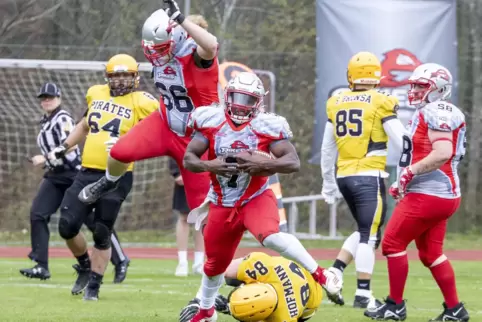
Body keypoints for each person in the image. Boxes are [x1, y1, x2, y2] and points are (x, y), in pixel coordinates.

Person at [181, 72, 342, 322]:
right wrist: (211, 165)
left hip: (254, 196)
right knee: (214, 264)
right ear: (227, 96)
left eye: (248, 100)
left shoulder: (267, 125)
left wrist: (265, 164)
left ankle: (322, 274)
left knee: (271, 236)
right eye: (237, 97)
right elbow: (189, 158)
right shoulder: (210, 121)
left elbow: (293, 161)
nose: (241, 105)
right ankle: (206, 309)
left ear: (258, 103)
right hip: (222, 201)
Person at [76, 2, 219, 214]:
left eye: (161, 49)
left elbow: (212, 45)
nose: (156, 55)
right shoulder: (162, 54)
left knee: (200, 210)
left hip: (196, 138)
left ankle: (215, 243)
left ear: (177, 39)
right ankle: (109, 181)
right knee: (118, 152)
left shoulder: (195, 56)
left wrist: (180, 18)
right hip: (165, 122)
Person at [364, 63, 469, 321]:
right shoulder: (428, 111)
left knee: (391, 244)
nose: (414, 90)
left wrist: (409, 175)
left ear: (439, 89)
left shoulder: (437, 111)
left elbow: (442, 153)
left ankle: (395, 306)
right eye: (414, 85)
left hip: (432, 193)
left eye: (422, 86)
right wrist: (403, 181)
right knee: (430, 254)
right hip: (439, 193)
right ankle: (455, 310)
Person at [50, 54, 158, 301]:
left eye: (125, 75)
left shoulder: (143, 101)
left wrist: (131, 144)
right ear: (107, 77)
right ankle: (85, 266)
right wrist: (63, 146)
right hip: (87, 172)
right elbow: (85, 125)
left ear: (135, 77)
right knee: (67, 225)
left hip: (118, 176)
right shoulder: (96, 93)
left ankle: (94, 287)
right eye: (115, 75)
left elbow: (158, 134)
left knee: (101, 231)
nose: (120, 80)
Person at [20, 83, 130, 283]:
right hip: (55, 176)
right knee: (38, 213)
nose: (46, 101)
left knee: (93, 222)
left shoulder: (63, 119)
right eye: (43, 98)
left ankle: (120, 259)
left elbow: (71, 146)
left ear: (59, 98)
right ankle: (41, 265)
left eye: (50, 97)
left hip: (73, 174)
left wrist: (44, 158)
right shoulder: (45, 121)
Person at [320, 51, 406, 308]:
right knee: (369, 235)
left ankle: (335, 270)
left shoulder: (336, 101)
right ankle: (363, 294)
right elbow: (401, 141)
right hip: (370, 175)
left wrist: (328, 182)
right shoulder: (382, 100)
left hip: (345, 175)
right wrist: (409, 169)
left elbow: (327, 148)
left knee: (365, 230)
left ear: (351, 75)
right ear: (376, 75)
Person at [180, 252, 323, 322]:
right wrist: (202, 301)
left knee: (250, 312)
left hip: (311, 298)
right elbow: (218, 268)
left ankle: (229, 308)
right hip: (283, 274)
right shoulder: (261, 265)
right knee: (228, 276)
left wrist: (229, 309)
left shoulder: (285, 315)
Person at [168, 158, 204, 276]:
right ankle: (182, 262)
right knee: (184, 218)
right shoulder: (181, 139)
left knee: (201, 219)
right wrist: (176, 172)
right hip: (185, 179)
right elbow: (173, 151)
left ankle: (199, 263)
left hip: (203, 180)